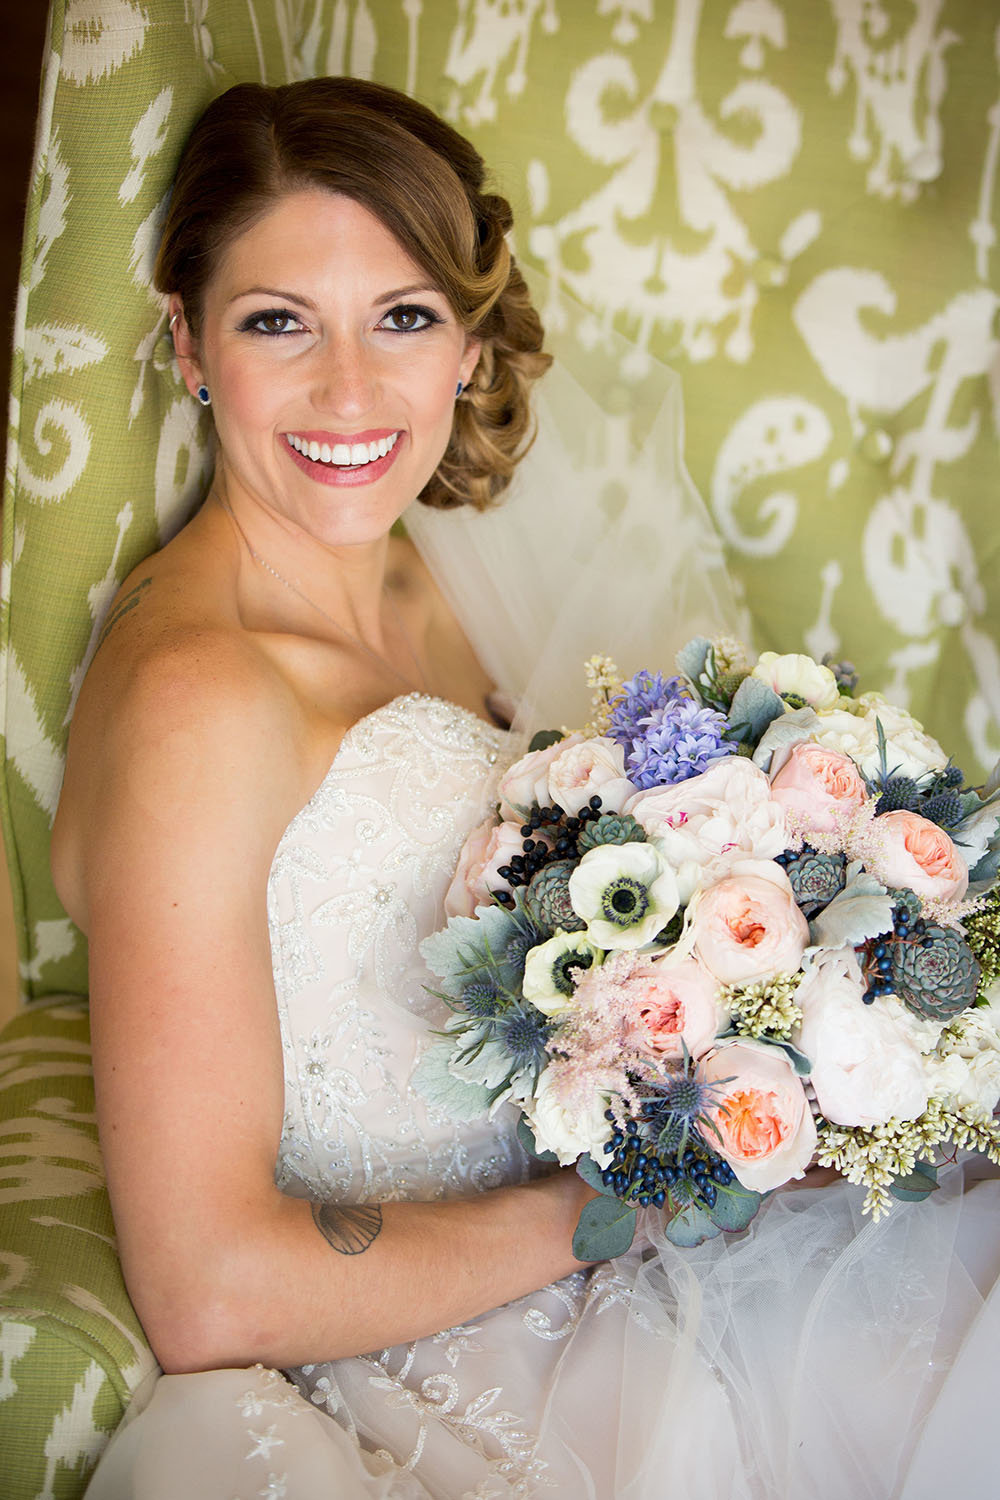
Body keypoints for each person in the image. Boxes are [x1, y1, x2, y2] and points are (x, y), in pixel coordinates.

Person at [54, 77, 1000, 1500]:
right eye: (277, 323)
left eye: (404, 317)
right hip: (439, 1343)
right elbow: (207, 1291)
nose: (352, 393)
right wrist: (616, 1207)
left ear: (468, 340)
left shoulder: (426, 566)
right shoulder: (201, 698)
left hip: (616, 1258)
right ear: (188, 342)